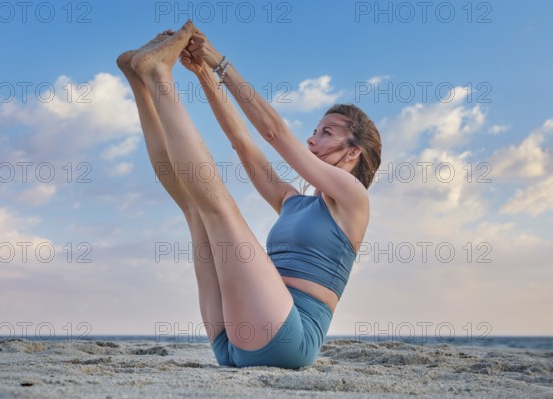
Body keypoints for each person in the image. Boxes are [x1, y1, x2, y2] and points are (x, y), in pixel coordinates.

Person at [116, 20, 381, 369]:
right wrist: (202, 74)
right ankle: (143, 81)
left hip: (288, 339)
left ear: (353, 153)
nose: (311, 140)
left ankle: (159, 75)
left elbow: (274, 134)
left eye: (326, 133)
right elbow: (243, 142)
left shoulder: (353, 198)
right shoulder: (292, 202)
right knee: (196, 208)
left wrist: (219, 62)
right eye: (315, 130)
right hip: (238, 339)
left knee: (220, 208)